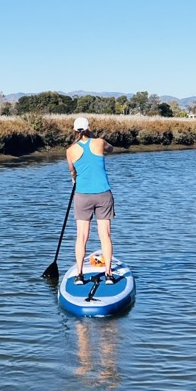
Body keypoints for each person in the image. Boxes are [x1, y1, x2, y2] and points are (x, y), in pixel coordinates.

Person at [66, 116, 116, 285]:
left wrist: (74, 177)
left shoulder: (70, 150)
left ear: (74, 131)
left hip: (82, 195)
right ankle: (109, 274)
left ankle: (79, 275)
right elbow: (111, 149)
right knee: (105, 235)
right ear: (89, 129)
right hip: (103, 194)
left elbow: (72, 172)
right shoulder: (100, 142)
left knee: (81, 236)